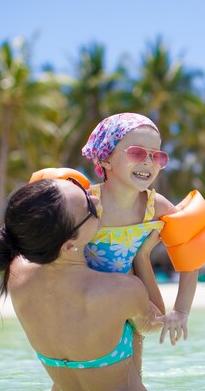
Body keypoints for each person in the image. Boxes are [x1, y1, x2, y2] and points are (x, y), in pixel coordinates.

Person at [0, 178, 163, 391]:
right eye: (89, 206)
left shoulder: (16, 273)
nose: (97, 199)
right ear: (69, 245)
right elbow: (157, 322)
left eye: (84, 190)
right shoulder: (121, 290)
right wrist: (141, 256)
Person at [81, 113, 198, 347]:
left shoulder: (156, 206)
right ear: (106, 158)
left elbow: (191, 252)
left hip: (130, 306)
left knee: (133, 377)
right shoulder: (85, 204)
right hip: (84, 302)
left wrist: (181, 311)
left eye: (157, 156)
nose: (148, 162)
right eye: (137, 153)